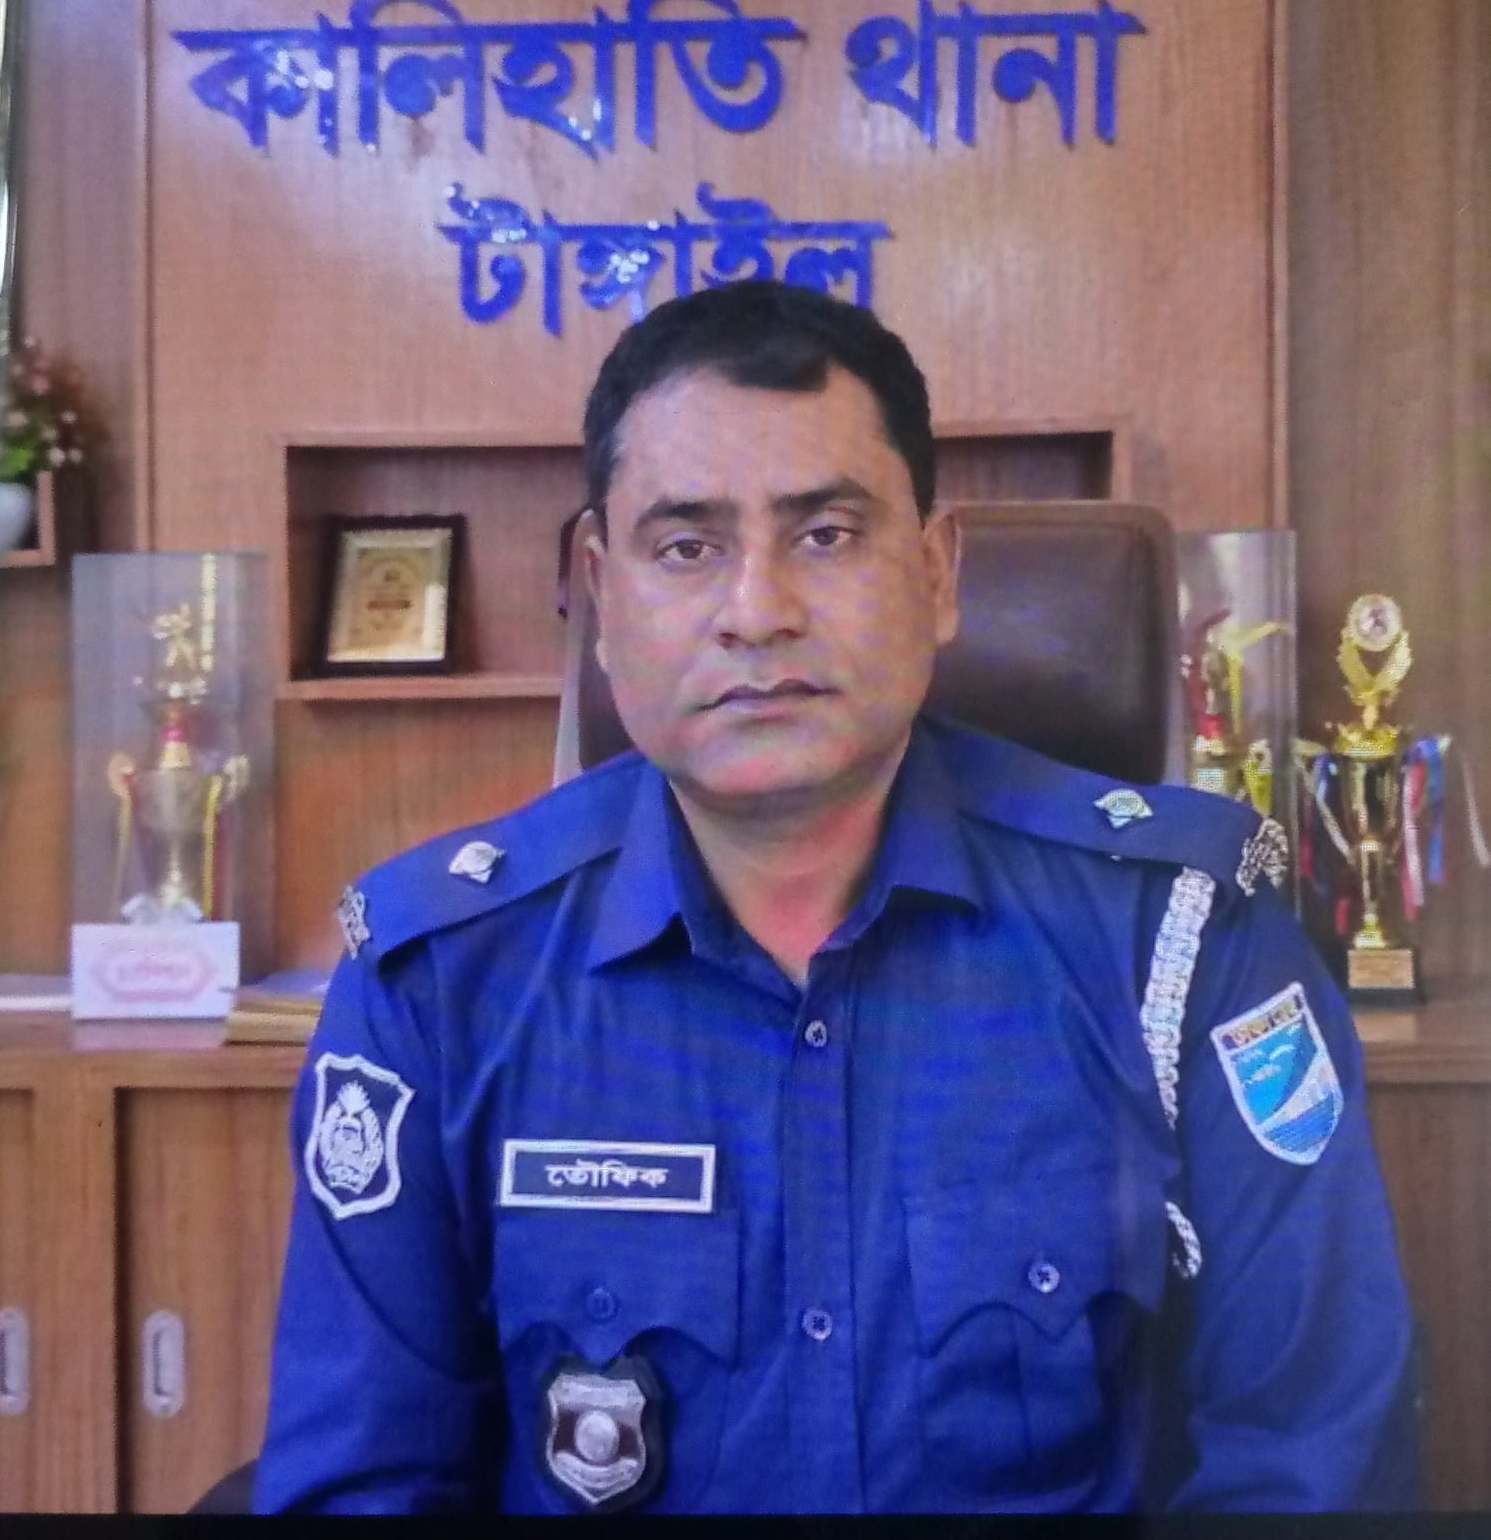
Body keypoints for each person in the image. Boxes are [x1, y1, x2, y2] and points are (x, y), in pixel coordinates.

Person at [253, 281, 1420, 1515]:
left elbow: (1314, 1468)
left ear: (937, 570)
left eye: (825, 534)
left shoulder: (1180, 946)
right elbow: (361, 1487)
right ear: (599, 590)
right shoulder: (439, 982)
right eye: (687, 545)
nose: (758, 613)